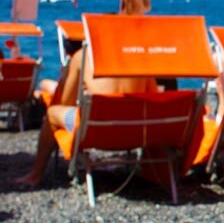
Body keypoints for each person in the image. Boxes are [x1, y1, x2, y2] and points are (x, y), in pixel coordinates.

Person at [15, 49, 158, 187]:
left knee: (53, 113)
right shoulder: (141, 55)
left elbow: (66, 101)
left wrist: (79, 87)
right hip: (136, 133)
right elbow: (153, 95)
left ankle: (36, 175)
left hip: (96, 132)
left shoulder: (84, 56)